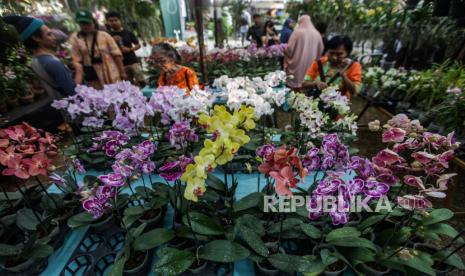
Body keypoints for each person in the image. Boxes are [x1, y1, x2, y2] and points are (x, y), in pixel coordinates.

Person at [3, 15, 75, 99]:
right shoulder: (51, 62)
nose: (54, 37)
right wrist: (79, 70)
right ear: (36, 38)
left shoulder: (35, 60)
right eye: (49, 34)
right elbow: (72, 92)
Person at [70, 9, 126, 89]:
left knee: (116, 95)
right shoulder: (76, 38)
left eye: (88, 23)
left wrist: (122, 72)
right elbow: (76, 60)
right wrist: (78, 82)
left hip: (110, 71)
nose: (85, 26)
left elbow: (117, 54)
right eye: (82, 24)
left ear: (93, 22)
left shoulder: (104, 35)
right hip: (92, 74)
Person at [105, 11, 145, 87]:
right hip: (120, 65)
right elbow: (105, 50)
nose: (114, 22)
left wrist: (130, 49)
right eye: (111, 21)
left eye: (116, 20)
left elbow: (138, 45)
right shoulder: (107, 35)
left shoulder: (128, 33)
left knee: (141, 80)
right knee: (128, 85)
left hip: (132, 62)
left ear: (120, 20)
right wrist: (112, 40)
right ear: (108, 22)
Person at [284, 15, 324, 88]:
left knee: (294, 83)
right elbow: (321, 49)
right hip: (311, 63)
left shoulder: (297, 32)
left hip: (297, 64)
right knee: (307, 80)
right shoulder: (317, 33)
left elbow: (289, 49)